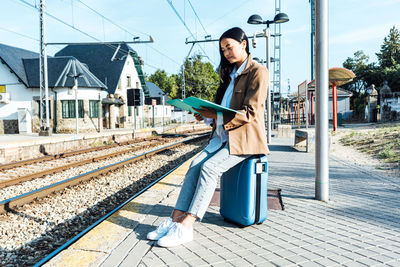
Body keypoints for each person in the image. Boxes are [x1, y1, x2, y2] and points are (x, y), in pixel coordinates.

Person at [146, 27, 270, 247]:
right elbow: (221, 112)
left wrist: (217, 114)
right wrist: (205, 116)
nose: (226, 53)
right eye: (222, 50)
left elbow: (251, 113)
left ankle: (187, 226)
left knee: (210, 169)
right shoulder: (228, 76)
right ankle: (174, 220)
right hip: (221, 137)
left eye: (229, 47)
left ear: (244, 44)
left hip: (245, 140)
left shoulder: (258, 72)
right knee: (194, 166)